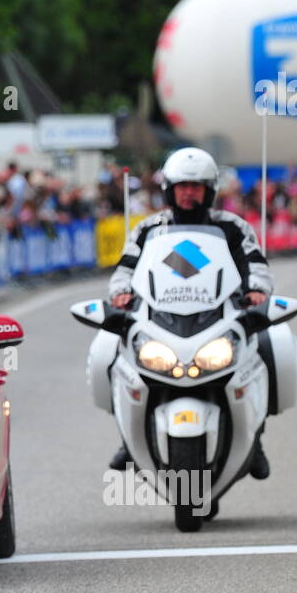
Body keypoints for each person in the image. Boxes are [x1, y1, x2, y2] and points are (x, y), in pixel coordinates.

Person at [106, 146, 274, 477]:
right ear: (169, 189)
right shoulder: (149, 229)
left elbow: (256, 266)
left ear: (209, 190)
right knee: (112, 352)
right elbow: (124, 270)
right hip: (161, 318)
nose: (188, 193)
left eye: (196, 187)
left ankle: (255, 440)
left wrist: (257, 291)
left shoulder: (233, 227)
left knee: (268, 347)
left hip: (220, 315)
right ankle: (129, 438)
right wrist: (121, 293)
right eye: (182, 186)